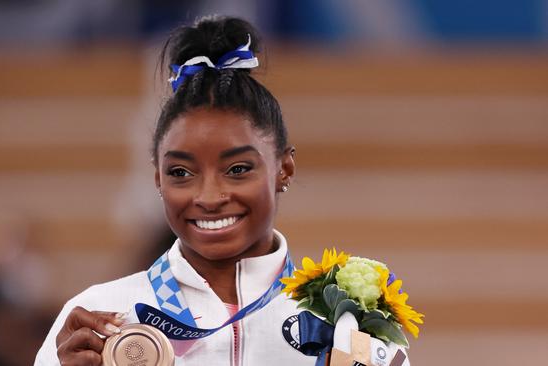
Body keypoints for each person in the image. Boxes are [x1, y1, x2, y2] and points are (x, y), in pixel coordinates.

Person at [35, 16, 409, 366]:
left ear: (284, 168)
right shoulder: (104, 318)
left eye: (237, 169)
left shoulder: (347, 323)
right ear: (158, 180)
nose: (210, 197)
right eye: (181, 172)